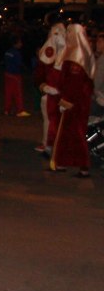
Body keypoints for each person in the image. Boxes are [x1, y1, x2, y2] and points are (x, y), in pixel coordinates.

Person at [50, 23, 94, 177]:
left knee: (73, 133)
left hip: (74, 103)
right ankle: (67, 163)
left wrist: (66, 101)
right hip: (81, 102)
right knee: (72, 133)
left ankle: (81, 165)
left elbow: (73, 83)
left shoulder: (75, 56)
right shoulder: (85, 53)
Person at [34, 23, 66, 155]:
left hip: (63, 95)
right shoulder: (46, 53)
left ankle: (59, 145)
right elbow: (39, 75)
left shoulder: (68, 54)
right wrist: (44, 87)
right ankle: (47, 143)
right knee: (49, 120)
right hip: (49, 95)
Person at [2, 34, 30, 116]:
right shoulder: (16, 53)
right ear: (16, 43)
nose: (21, 44)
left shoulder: (7, 52)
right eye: (20, 42)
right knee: (17, 93)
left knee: (8, 93)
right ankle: (20, 110)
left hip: (7, 74)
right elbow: (19, 64)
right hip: (15, 75)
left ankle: (7, 109)